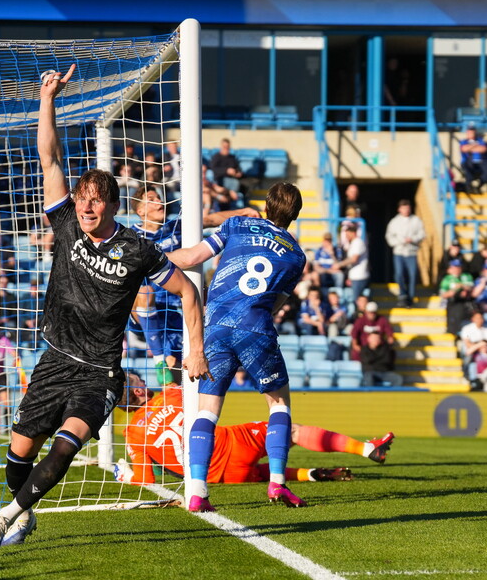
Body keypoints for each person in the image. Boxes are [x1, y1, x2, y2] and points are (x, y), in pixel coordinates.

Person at [0, 64, 210, 551]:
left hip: (100, 372)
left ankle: (5, 517)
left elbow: (188, 292)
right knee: (18, 456)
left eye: (95, 200)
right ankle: (24, 511)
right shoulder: (64, 225)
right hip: (53, 359)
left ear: (111, 204)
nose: (86, 207)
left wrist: (196, 350)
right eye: (82, 198)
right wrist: (47, 98)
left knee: (64, 448)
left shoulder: (138, 250)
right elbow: (50, 159)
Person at [168, 180, 308, 511]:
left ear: (267, 204)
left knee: (207, 410)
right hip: (255, 329)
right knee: (279, 406)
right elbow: (275, 306)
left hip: (215, 327)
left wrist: (146, 260)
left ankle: (198, 492)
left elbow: (190, 258)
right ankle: (277, 484)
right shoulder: (296, 256)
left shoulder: (239, 223)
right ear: (295, 214)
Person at [116, 374, 394, 486]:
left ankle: (309, 475)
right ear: (139, 388)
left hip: (217, 478)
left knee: (258, 473)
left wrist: (125, 476)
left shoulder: (131, 433)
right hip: (232, 445)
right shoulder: (174, 393)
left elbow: (147, 481)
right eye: (135, 377)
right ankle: (367, 449)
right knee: (290, 431)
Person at [129, 187, 257, 384]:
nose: (159, 202)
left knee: (181, 379)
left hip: (178, 309)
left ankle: (183, 404)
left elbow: (211, 220)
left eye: (159, 198)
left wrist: (242, 212)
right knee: (145, 293)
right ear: (140, 211)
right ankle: (158, 360)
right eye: (152, 199)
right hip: (146, 312)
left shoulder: (175, 227)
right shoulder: (132, 237)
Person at [385, 199, 425, 308]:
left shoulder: (416, 220)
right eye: (404, 208)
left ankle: (410, 297)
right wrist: (399, 242)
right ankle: (403, 295)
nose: (406, 210)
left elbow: (422, 234)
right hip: (399, 252)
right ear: (399, 209)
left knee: (412, 275)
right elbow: (389, 236)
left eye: (408, 208)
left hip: (411, 252)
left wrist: (412, 239)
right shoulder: (394, 222)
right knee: (399, 274)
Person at [439, 259, 474, 334]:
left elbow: (471, 288)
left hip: (466, 301)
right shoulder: (447, 279)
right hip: (453, 301)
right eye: (455, 267)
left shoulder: (466, 276)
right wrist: (455, 290)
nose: (457, 269)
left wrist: (462, 286)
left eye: (458, 267)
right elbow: (443, 294)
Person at [340, 221, 369, 304]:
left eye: (347, 234)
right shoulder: (353, 243)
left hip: (359, 276)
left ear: (353, 233)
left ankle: (360, 315)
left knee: (358, 301)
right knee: (355, 300)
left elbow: (354, 259)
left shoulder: (358, 242)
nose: (346, 237)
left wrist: (339, 265)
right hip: (354, 276)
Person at [459, 125, 487, 192]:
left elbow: (483, 149)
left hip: (480, 161)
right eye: (469, 132)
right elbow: (464, 149)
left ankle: (479, 185)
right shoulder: (464, 141)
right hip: (468, 162)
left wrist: (470, 148)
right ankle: (468, 186)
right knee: (467, 165)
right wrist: (475, 146)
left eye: (472, 132)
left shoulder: (480, 140)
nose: (471, 134)